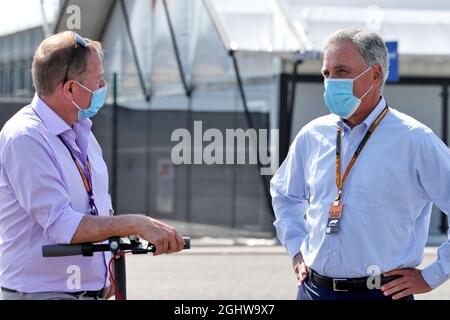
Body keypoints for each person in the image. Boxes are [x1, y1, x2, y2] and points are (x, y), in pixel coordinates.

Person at [0, 31, 185, 300]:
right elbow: (63, 224)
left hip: (84, 292)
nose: (102, 86)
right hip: (42, 293)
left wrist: (101, 277)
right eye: (97, 81)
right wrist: (136, 223)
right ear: (71, 89)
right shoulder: (25, 137)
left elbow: (96, 208)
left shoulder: (82, 131)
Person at [271, 29, 450, 300]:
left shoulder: (415, 140)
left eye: (341, 71)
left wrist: (433, 275)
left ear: (375, 75)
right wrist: (297, 249)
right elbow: (285, 195)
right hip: (313, 290)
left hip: (381, 293)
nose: (331, 82)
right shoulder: (312, 135)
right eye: (326, 73)